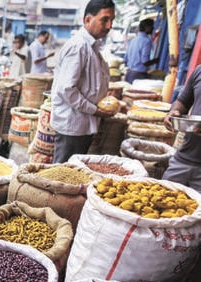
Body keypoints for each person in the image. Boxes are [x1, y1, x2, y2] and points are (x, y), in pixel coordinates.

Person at [50, 0, 116, 163]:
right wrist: (95, 110)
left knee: (73, 171)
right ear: (87, 20)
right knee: (63, 173)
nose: (109, 26)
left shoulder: (92, 47)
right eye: (104, 20)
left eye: (111, 20)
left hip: (83, 124)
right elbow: (67, 90)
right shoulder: (79, 47)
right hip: (73, 125)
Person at [162, 64, 201, 192]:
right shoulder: (199, 71)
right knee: (159, 199)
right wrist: (174, 111)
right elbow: (182, 102)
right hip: (183, 159)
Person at [124, 18, 159, 84]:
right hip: (139, 75)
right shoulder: (146, 41)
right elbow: (145, 62)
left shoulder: (133, 40)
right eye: (152, 26)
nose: (153, 29)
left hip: (129, 74)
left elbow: (125, 59)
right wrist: (156, 60)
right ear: (147, 27)